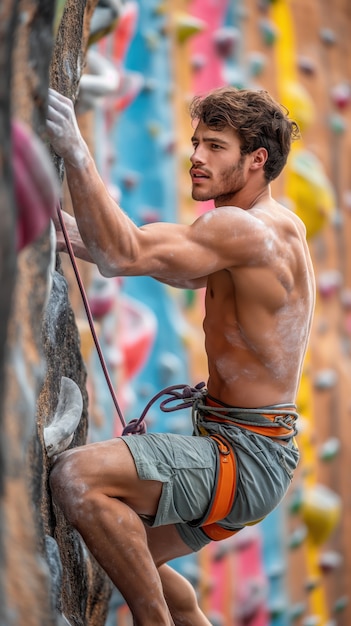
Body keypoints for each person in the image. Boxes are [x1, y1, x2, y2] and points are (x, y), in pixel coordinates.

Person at [46, 85, 315, 626]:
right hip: (257, 454)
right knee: (120, 550)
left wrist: (76, 150)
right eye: (196, 142)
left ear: (256, 160)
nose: (195, 156)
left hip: (241, 455)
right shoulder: (273, 227)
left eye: (215, 146)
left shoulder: (241, 229)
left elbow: (124, 254)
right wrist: (77, 236)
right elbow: (174, 264)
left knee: (77, 478)